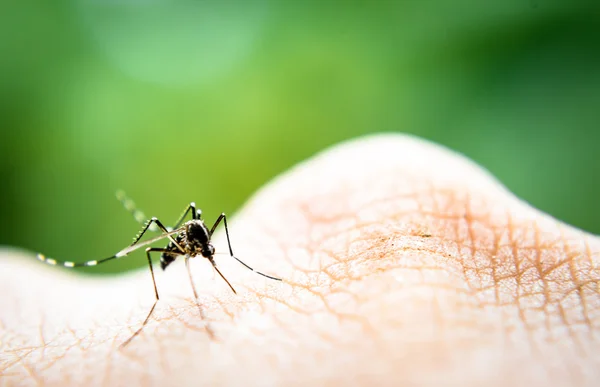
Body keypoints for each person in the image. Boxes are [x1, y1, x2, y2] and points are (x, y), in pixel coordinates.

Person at [1, 134, 598, 386]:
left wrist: (238, 267)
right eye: (200, 244)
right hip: (163, 255)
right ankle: (126, 275)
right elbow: (188, 243)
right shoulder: (178, 248)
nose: (203, 247)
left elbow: (214, 237)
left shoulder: (210, 237)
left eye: (203, 244)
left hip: (200, 248)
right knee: (164, 227)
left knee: (201, 222)